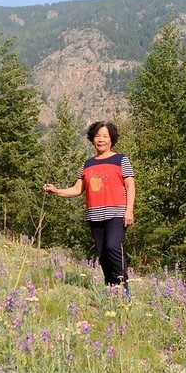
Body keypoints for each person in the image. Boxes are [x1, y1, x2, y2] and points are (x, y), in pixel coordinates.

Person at [43, 121, 136, 299]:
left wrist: (129, 211)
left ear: (112, 139)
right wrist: (56, 191)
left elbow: (130, 186)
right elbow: (77, 189)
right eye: (97, 136)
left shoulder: (121, 160)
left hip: (117, 213)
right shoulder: (87, 164)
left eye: (105, 136)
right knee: (102, 254)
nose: (101, 139)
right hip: (94, 216)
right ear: (92, 139)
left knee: (112, 247)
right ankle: (110, 287)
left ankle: (123, 287)